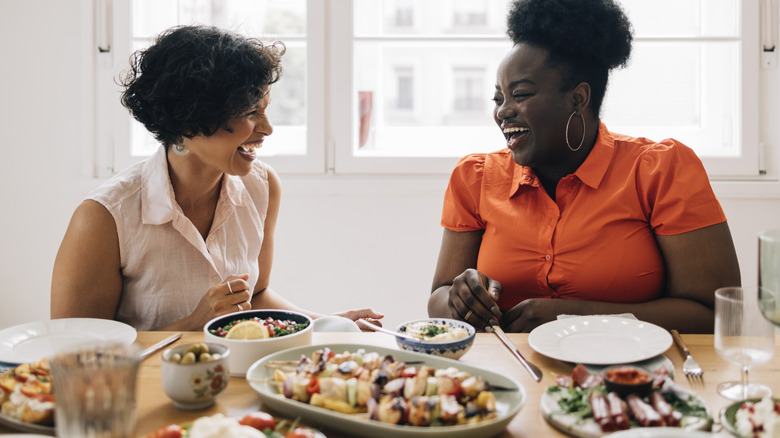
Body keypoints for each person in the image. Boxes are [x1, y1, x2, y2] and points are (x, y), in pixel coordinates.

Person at [428, 0, 740, 334]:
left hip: (629, 375)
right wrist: (461, 298)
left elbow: (716, 315)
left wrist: (575, 320)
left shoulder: (659, 170)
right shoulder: (475, 178)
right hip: (507, 377)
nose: (503, 111)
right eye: (498, 98)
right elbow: (438, 300)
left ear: (578, 98)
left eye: (520, 94)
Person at [50, 25, 383, 331]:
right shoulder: (104, 218)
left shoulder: (262, 186)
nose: (267, 129)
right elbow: (75, 354)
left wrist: (323, 324)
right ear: (189, 121)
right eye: (251, 113)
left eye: (265, 111)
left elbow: (257, 296)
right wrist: (193, 324)